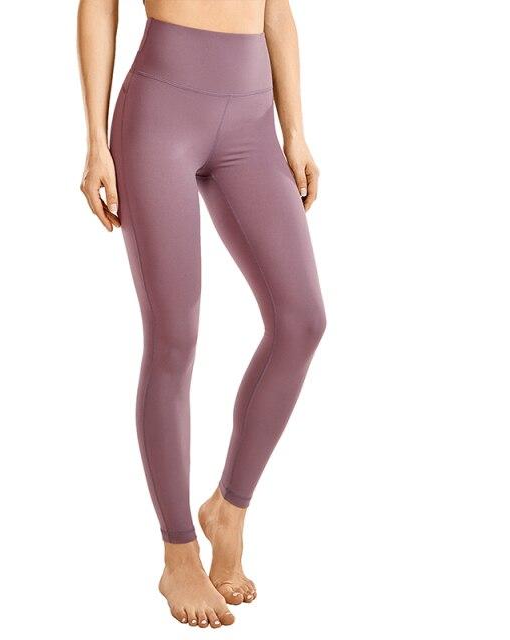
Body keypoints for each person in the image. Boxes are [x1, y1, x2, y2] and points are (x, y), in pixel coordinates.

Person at [77, 0, 325, 627]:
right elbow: (98, 6)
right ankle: (178, 553)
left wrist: (295, 130)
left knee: (301, 320)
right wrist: (96, 142)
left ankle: (228, 510)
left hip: (253, 120)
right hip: (161, 111)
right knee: (174, 337)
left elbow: (276, 13)